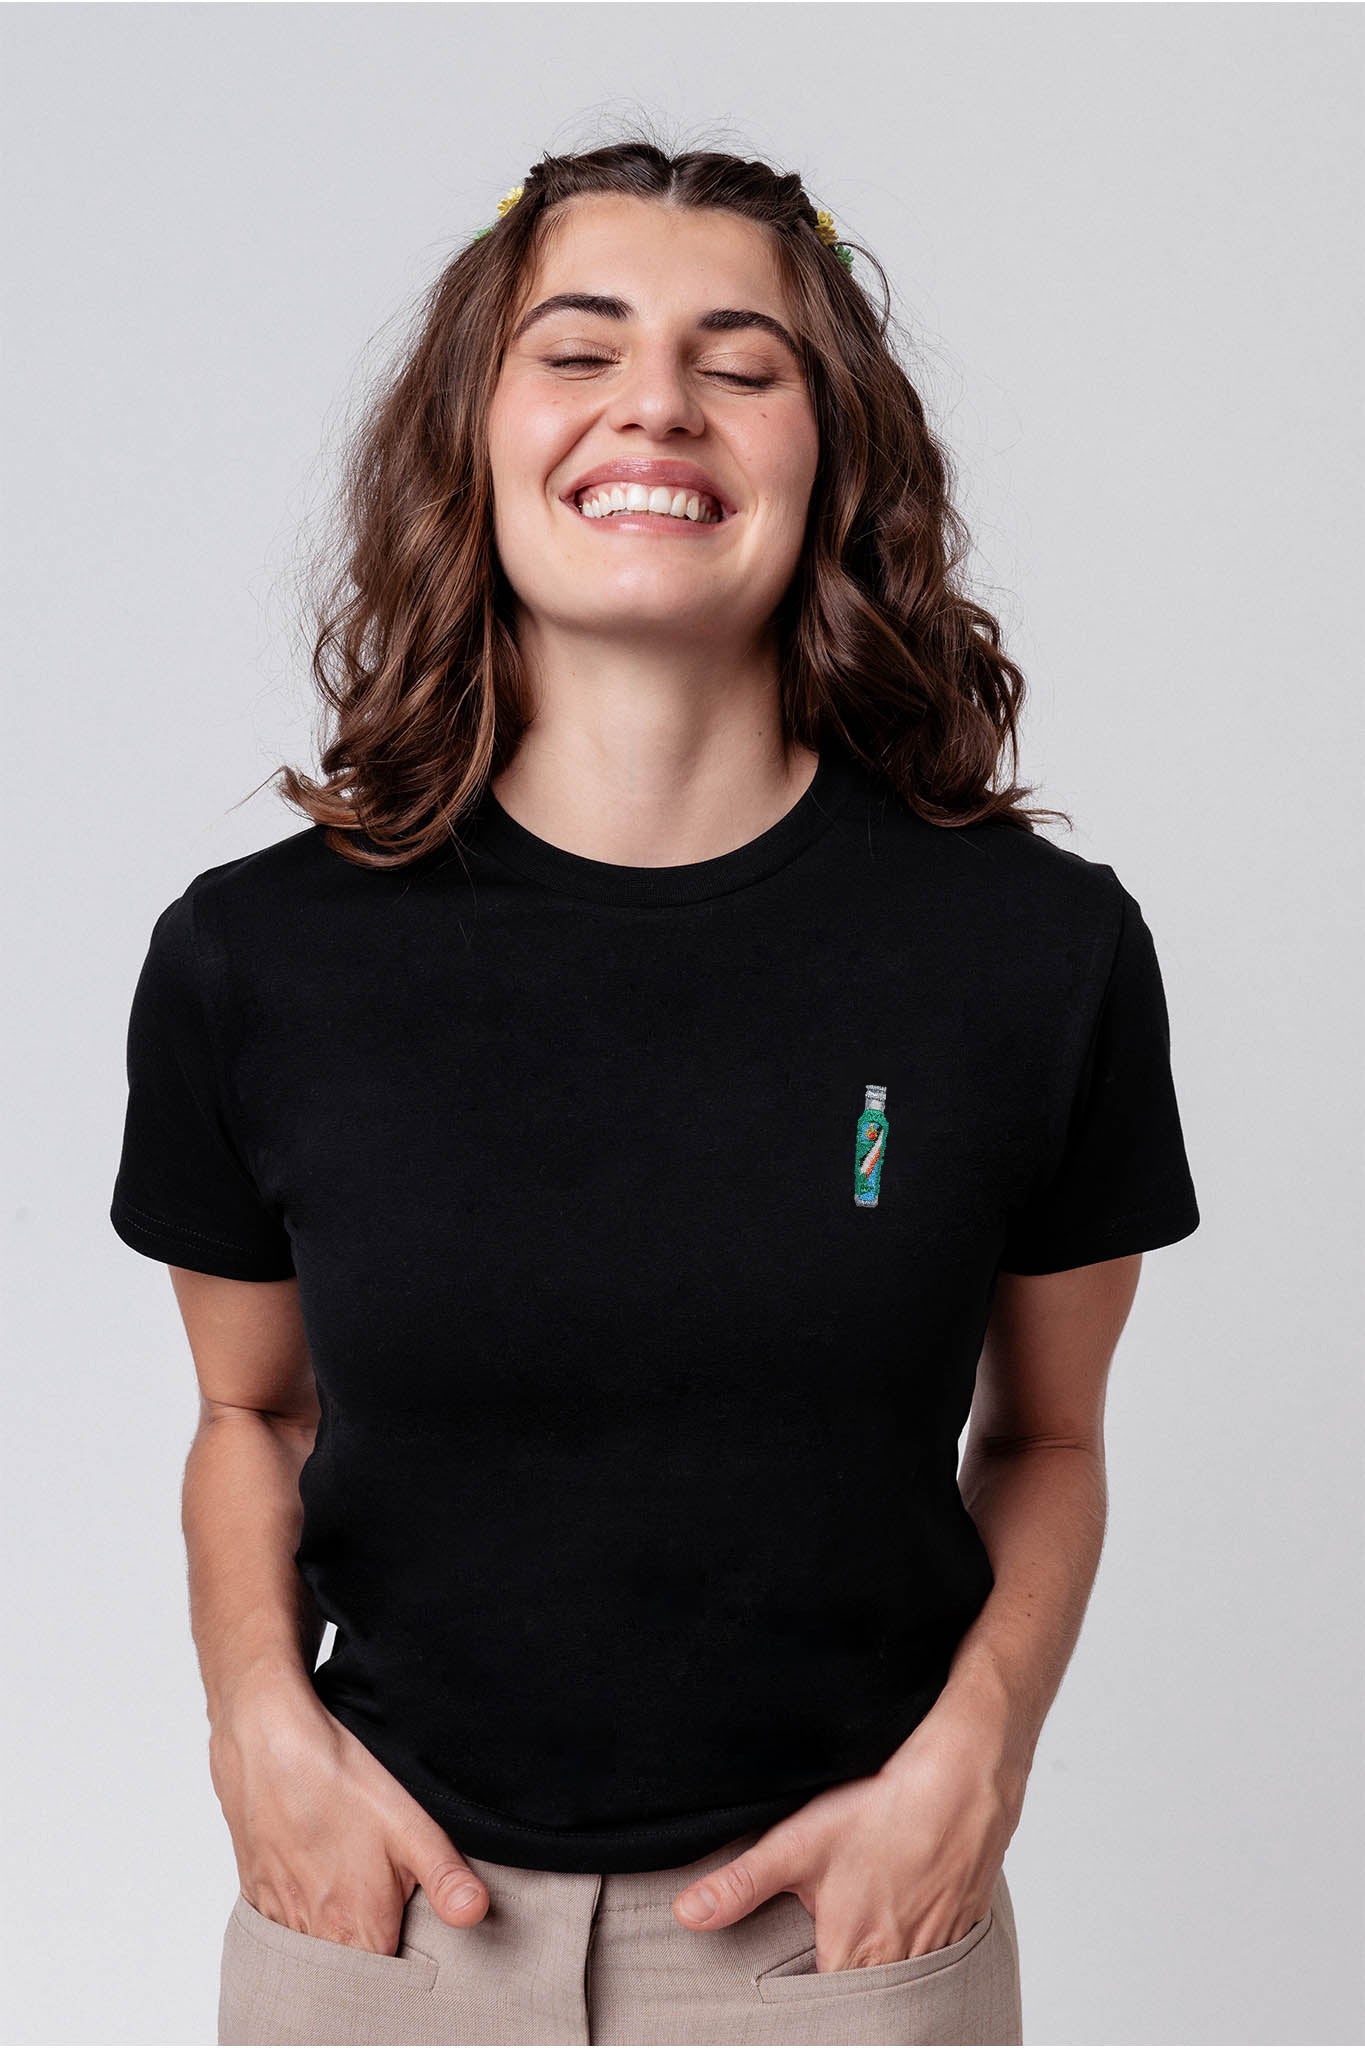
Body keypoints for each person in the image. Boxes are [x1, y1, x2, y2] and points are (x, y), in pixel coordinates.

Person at [109, 139, 1201, 2048]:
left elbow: (1045, 1438)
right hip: (380, 1929)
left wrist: (976, 1765)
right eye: (579, 349)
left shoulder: (1033, 952)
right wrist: (255, 1731)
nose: (657, 407)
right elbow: (248, 1408)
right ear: (471, 436)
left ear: (828, 457)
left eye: (739, 364)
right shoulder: (254, 956)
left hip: (841, 1945)